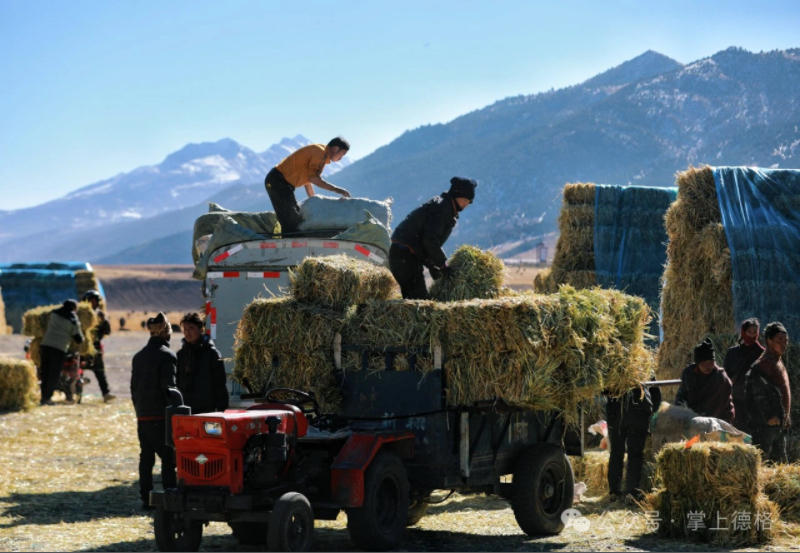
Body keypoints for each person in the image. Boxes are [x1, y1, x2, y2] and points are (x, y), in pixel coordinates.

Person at [389, 177, 477, 299]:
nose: (468, 204)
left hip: (403, 254)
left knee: (414, 299)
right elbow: (430, 241)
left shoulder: (444, 205)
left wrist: (432, 266)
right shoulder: (443, 209)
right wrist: (443, 265)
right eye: (467, 200)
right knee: (419, 302)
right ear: (458, 196)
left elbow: (424, 242)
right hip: (404, 255)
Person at [130, 312, 177, 509]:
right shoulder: (167, 356)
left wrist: (139, 410)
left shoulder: (139, 357)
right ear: (166, 331)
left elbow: (133, 388)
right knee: (168, 458)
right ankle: (169, 497)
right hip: (161, 415)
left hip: (143, 415)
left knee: (146, 457)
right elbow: (170, 388)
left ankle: (146, 497)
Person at [264, 137, 352, 233]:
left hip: (281, 183)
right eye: (342, 154)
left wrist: (313, 200)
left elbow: (308, 181)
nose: (341, 158)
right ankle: (289, 244)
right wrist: (337, 190)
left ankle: (292, 240)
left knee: (295, 216)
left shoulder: (322, 154)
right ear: (335, 149)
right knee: (290, 220)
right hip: (277, 181)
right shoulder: (319, 153)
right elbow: (314, 179)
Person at [606, 383, 661, 501]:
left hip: (628, 413)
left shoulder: (643, 367)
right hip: (630, 413)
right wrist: (653, 412)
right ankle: (628, 492)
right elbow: (656, 393)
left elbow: (655, 392)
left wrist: (653, 414)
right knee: (630, 453)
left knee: (620, 452)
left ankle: (619, 492)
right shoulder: (644, 367)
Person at [746, 321, 792, 463]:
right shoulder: (763, 365)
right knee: (763, 461)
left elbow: (783, 391)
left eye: (786, 340)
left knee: (780, 465)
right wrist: (769, 416)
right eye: (779, 340)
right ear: (769, 341)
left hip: (778, 423)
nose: (784, 344)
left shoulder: (777, 361)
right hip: (766, 425)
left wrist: (786, 415)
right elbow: (757, 393)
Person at [176, 312, 229, 414]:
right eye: (185, 329)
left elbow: (220, 384)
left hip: (207, 410)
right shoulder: (181, 355)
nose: (187, 333)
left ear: (201, 329)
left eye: (191, 328)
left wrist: (222, 410)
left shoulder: (212, 354)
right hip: (186, 410)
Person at [674, 337, 735, 423]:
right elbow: (681, 395)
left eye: (710, 363)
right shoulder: (689, 374)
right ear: (697, 363)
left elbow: (724, 405)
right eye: (703, 364)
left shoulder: (720, 377)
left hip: (718, 420)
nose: (708, 367)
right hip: (694, 418)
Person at [39, 299, 84, 405]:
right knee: (53, 375)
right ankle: (47, 398)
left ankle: (43, 397)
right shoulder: (73, 319)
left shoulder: (54, 313)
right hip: (58, 349)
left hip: (45, 346)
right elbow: (78, 338)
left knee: (45, 373)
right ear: (73, 308)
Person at [723, 318, 764, 432]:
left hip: (755, 400)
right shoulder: (732, 353)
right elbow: (725, 376)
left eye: (754, 332)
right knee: (737, 430)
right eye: (749, 332)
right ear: (743, 332)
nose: (752, 335)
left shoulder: (761, 354)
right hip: (736, 398)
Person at [81, 290, 115, 402]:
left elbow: (107, 331)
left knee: (100, 371)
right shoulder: (81, 314)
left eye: (95, 301)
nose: (93, 303)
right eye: (91, 300)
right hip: (82, 347)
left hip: (95, 348)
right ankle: (76, 394)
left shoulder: (100, 315)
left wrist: (104, 321)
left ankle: (106, 394)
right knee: (77, 371)